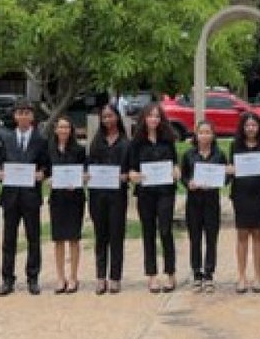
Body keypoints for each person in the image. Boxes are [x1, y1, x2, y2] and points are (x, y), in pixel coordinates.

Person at [0, 101, 50, 295]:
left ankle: (33, 277)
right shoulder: (6, 138)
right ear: (15, 116)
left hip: (30, 196)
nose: (24, 116)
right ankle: (7, 279)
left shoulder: (41, 140)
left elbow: (46, 164)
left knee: (33, 238)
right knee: (8, 239)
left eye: (27, 113)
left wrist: (42, 173)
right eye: (20, 113)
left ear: (32, 117)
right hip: (10, 195)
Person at [129, 101, 180, 293]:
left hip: (166, 191)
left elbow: (175, 162)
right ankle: (151, 275)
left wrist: (176, 170)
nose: (154, 119)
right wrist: (134, 175)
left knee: (165, 230)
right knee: (148, 232)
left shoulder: (168, 139)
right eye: (150, 115)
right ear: (144, 118)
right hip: (145, 193)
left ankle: (170, 272)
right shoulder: (136, 143)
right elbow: (131, 168)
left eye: (157, 116)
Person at [228, 111, 260, 293]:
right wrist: (230, 169)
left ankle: (257, 276)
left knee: (257, 234)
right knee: (241, 235)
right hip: (240, 195)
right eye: (247, 125)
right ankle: (241, 276)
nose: (250, 128)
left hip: (259, 195)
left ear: (259, 127)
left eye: (254, 125)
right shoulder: (235, 145)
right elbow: (231, 167)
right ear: (242, 127)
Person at [87, 103, 131, 295]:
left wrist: (126, 176)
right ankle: (100, 277)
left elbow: (131, 168)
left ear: (117, 118)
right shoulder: (96, 142)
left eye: (111, 116)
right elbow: (89, 166)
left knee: (116, 235)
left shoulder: (125, 142)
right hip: (98, 196)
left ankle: (115, 277)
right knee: (100, 236)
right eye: (104, 117)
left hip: (118, 196)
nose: (108, 120)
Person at [179, 120, 225, 293]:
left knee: (211, 239)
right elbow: (183, 176)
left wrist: (221, 179)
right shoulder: (189, 155)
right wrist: (188, 183)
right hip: (194, 203)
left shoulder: (219, 155)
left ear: (213, 135)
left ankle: (209, 274)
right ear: (196, 135)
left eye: (208, 132)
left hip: (212, 202)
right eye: (201, 132)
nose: (204, 135)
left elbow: (226, 178)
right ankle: (197, 273)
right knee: (195, 238)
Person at [48, 115, 87, 294]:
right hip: (57, 198)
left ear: (71, 130)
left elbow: (84, 172)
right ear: (55, 129)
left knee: (73, 238)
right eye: (60, 127)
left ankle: (73, 277)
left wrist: (81, 179)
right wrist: (47, 179)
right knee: (58, 239)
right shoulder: (49, 150)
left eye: (67, 127)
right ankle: (60, 277)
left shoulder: (79, 150)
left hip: (74, 199)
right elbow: (45, 171)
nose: (63, 130)